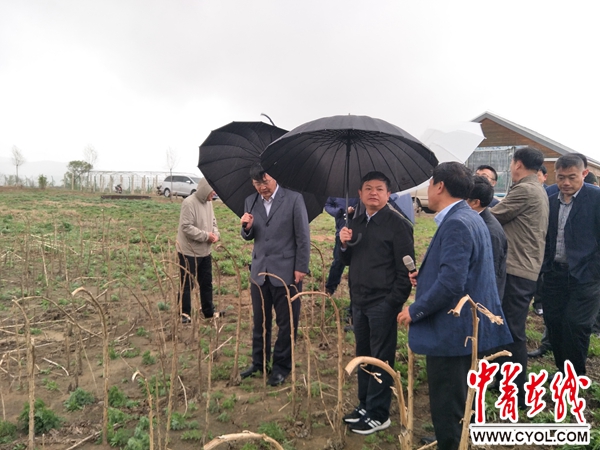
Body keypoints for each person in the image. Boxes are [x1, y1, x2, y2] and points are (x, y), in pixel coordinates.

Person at [397, 162, 512, 450]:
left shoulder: (458, 223)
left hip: (452, 332)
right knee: (456, 398)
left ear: (439, 186)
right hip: (463, 331)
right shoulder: (469, 216)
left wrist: (415, 310)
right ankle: (454, 438)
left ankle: (451, 442)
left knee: (448, 400)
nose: (427, 190)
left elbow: (451, 285)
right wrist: (425, 276)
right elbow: (462, 272)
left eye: (429, 184)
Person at [339, 171, 414, 435]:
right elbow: (348, 261)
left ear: (388, 194)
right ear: (359, 194)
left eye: (379, 189)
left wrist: (391, 303)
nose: (373, 192)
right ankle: (364, 404)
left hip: (382, 303)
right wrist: (344, 245)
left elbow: (407, 272)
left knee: (381, 358)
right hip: (359, 301)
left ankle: (379, 413)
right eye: (368, 188)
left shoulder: (398, 225)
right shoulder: (356, 221)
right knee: (363, 356)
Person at [239, 164, 311, 387]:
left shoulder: (293, 199)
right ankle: (259, 362)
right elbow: (249, 235)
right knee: (260, 321)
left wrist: (300, 267)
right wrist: (246, 227)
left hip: (287, 273)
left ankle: (281, 367)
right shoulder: (250, 202)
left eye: (266, 182)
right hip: (259, 272)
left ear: (275, 178)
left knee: (286, 322)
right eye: (257, 184)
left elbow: (303, 237)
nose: (262, 187)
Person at [490, 146, 549, 407]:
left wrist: (467, 208)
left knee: (513, 331)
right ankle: (504, 382)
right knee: (505, 327)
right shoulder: (535, 187)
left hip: (518, 269)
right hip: (521, 267)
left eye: (512, 162)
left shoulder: (525, 189)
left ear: (517, 164)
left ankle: (518, 393)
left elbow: (494, 215)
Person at [540, 154, 600, 376]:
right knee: (553, 320)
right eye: (561, 177)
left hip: (585, 275)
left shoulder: (595, 198)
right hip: (554, 272)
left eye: (572, 177)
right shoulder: (549, 195)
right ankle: (562, 367)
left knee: (576, 324)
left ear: (584, 174)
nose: (566, 183)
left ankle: (574, 375)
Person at [176, 177, 220, 322]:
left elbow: (213, 222)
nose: (214, 193)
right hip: (189, 251)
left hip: (205, 251)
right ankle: (184, 313)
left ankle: (208, 311)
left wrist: (215, 234)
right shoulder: (188, 203)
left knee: (206, 282)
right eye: (212, 190)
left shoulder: (209, 203)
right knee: (187, 283)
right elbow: (186, 227)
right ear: (205, 189)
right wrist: (206, 236)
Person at [466, 175, 508, 299]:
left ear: (475, 202)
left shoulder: (490, 231)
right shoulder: (477, 221)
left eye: (463, 198)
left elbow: (490, 273)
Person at [324, 197, 358, 296]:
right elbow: (327, 205)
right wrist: (340, 211)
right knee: (338, 261)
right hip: (341, 233)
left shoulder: (359, 190)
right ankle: (330, 288)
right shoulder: (335, 192)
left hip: (358, 233)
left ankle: (354, 298)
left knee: (356, 265)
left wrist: (354, 211)